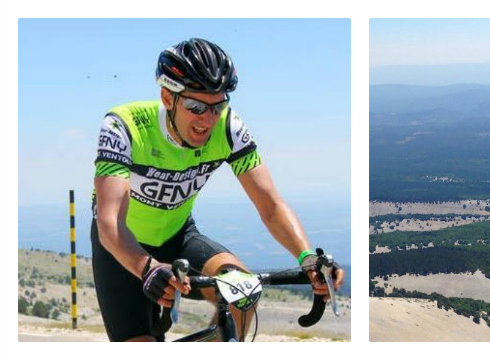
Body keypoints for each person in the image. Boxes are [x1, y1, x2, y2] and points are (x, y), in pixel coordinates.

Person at [91, 38, 344, 342]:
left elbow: (271, 205)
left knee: (243, 292)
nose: (208, 120)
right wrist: (146, 268)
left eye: (218, 106)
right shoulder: (124, 126)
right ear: (167, 97)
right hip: (123, 249)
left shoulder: (228, 128)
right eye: (196, 107)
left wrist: (307, 258)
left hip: (178, 237)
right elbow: (109, 223)